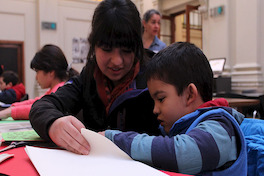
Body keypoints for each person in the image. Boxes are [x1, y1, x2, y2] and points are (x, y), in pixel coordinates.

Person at [29, 0, 160, 155]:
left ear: (137, 47)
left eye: (126, 50)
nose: (117, 61)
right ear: (93, 45)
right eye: (106, 49)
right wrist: (53, 124)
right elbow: (42, 106)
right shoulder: (89, 75)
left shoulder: (157, 75)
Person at [100, 42, 247, 175]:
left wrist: (114, 139)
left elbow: (182, 155)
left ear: (189, 94)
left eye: (161, 99)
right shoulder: (184, 128)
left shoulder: (220, 128)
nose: (155, 109)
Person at [0, 44, 78, 120]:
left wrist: (9, 112)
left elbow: (41, 107)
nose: (36, 77)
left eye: (37, 71)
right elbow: (37, 101)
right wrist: (12, 108)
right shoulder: (56, 89)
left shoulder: (60, 90)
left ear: (50, 72)